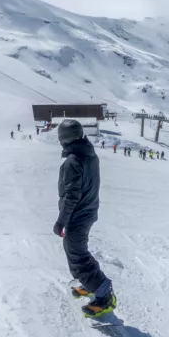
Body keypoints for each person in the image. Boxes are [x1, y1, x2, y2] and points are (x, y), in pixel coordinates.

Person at [54, 119, 116, 318]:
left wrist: (61, 221)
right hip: (88, 211)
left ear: (64, 139)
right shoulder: (89, 153)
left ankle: (104, 293)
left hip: (78, 215)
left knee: (76, 255)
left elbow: (71, 195)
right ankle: (91, 284)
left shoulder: (73, 161)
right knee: (78, 251)